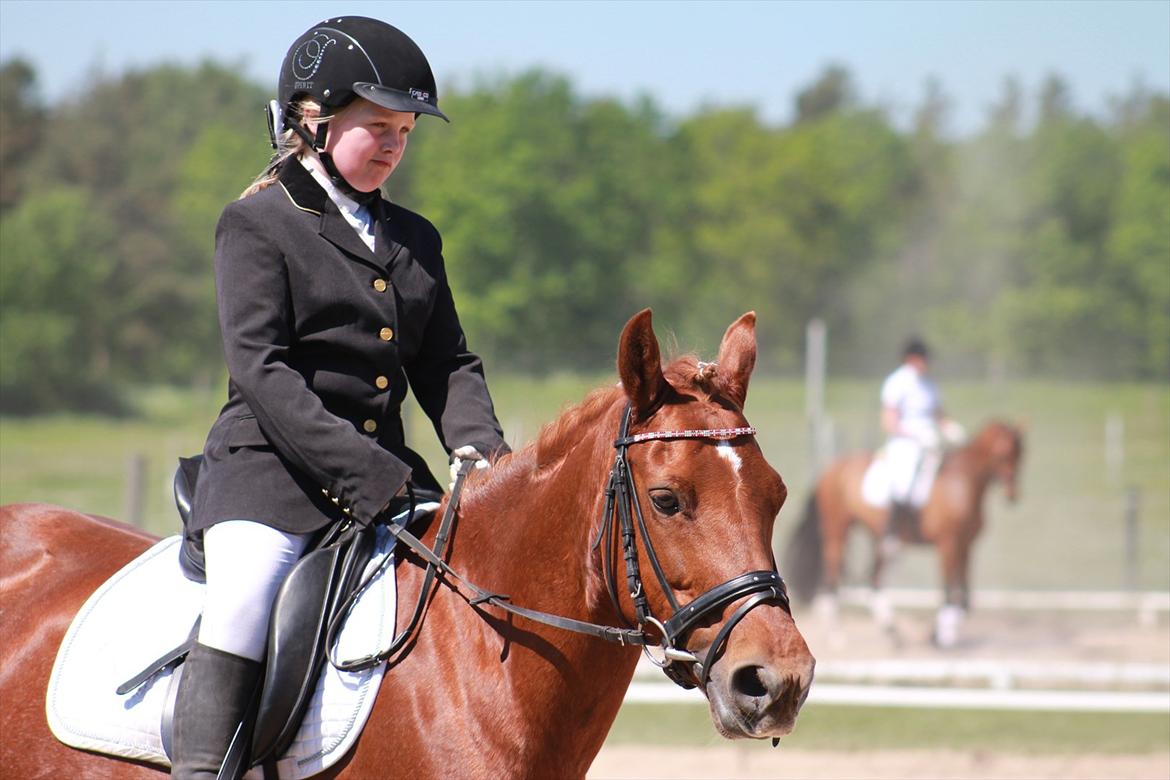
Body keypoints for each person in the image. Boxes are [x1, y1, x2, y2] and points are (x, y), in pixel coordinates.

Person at [173, 17, 509, 778]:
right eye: (376, 127)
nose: (393, 144)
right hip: (269, 475)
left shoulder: (416, 237)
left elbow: (448, 362)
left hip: (389, 479)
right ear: (311, 119)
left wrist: (486, 456)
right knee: (245, 598)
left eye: (404, 131)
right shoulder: (257, 224)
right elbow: (261, 371)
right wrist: (366, 473)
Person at [878, 338, 961, 550]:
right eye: (922, 359)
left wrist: (951, 428)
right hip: (905, 442)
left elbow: (939, 415)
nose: (926, 363)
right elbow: (889, 422)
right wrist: (916, 435)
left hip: (931, 440)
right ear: (911, 359)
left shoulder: (930, 385)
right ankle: (893, 531)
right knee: (904, 483)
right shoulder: (896, 383)